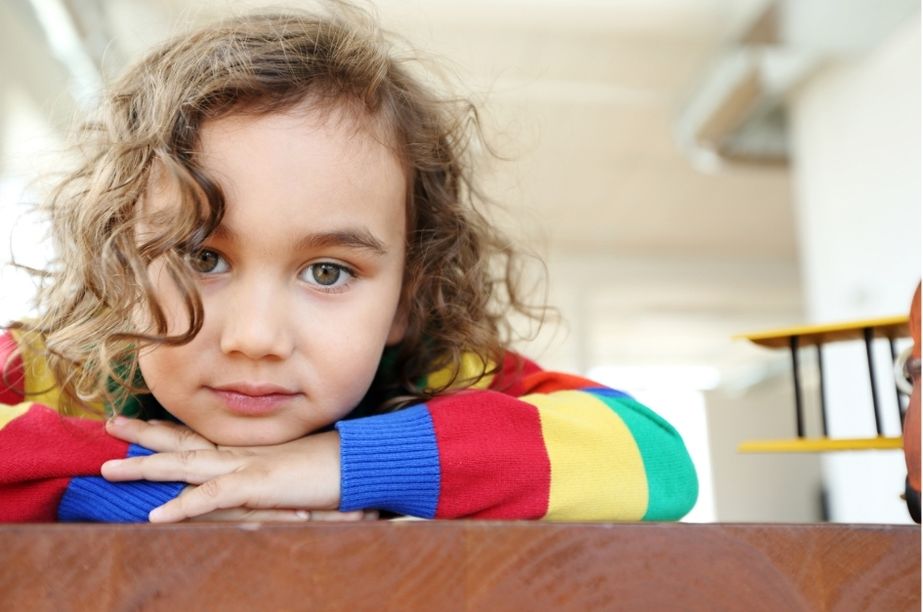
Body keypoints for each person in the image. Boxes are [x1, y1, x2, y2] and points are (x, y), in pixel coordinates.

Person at [0, 7, 697, 523]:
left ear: (405, 299)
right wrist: (167, 489)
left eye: (327, 272)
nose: (256, 338)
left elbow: (655, 459)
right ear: (120, 266)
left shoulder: (439, 379)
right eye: (202, 257)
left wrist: (334, 468)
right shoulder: (64, 369)